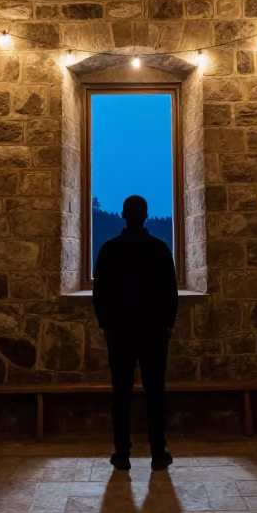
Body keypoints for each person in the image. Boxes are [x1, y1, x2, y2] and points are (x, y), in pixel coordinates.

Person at [92, 194, 179, 472]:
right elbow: (170, 293)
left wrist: (106, 323)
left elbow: (99, 293)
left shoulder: (109, 249)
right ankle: (157, 452)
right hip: (153, 331)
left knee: (121, 392)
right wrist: (167, 325)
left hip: (120, 331)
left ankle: (122, 453)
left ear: (122, 215)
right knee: (155, 391)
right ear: (146, 216)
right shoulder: (160, 249)